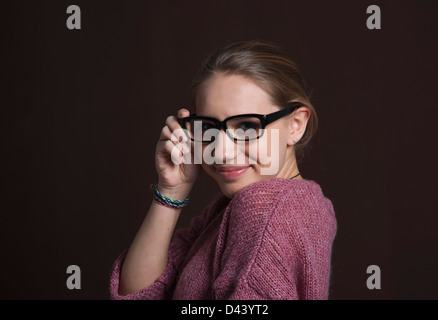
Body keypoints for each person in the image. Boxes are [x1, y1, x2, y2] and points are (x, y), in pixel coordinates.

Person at [109, 40, 337, 300]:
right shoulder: (232, 208)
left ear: (296, 124)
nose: (222, 151)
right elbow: (139, 293)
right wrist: (171, 190)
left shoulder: (269, 209)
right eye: (208, 128)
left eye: (247, 127)